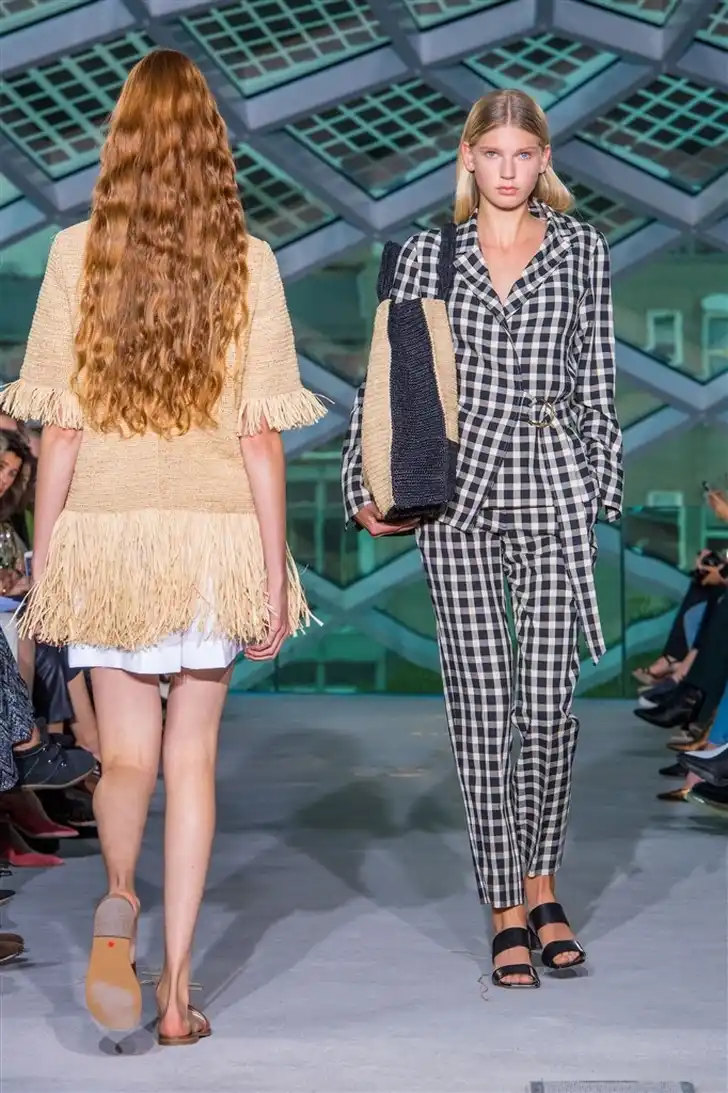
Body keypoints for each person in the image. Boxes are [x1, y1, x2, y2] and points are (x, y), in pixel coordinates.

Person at [1, 50, 325, 1041]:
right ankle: (178, 996)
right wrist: (272, 575)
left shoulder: (76, 255)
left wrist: (46, 560)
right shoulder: (249, 261)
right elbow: (259, 438)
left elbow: (58, 430)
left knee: (128, 755)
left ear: (121, 139)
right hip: (212, 541)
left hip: (106, 539)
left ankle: (118, 897)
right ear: (212, 144)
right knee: (193, 760)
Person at [342, 89, 622, 989]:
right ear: (467, 158)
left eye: (523, 154)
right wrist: (362, 483)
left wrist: (599, 491)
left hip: (552, 485)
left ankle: (544, 881)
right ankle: (505, 904)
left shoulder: (582, 251)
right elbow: (386, 378)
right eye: (492, 153)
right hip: (457, 493)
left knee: (546, 706)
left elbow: (598, 381)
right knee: (481, 704)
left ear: (545, 160)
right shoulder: (428, 253)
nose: (508, 170)